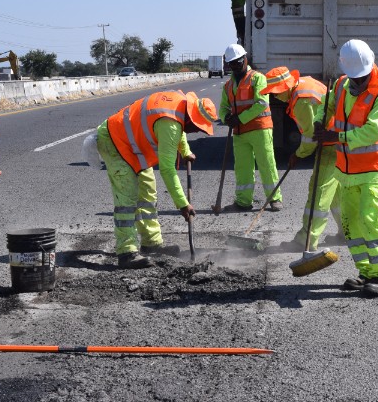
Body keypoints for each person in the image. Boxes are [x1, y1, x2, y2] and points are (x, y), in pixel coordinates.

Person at [96, 91, 218, 269]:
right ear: (191, 118)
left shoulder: (180, 107)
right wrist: (183, 204)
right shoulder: (170, 124)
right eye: (197, 127)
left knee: (147, 193)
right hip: (114, 140)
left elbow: (180, 127)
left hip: (135, 147)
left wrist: (185, 150)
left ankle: (151, 243)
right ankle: (126, 252)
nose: (196, 130)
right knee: (127, 199)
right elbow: (168, 169)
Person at [314, 39, 378, 297]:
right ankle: (366, 271)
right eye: (354, 78)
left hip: (373, 170)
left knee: (371, 222)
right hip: (346, 171)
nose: (358, 83)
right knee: (351, 224)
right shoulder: (341, 85)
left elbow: (372, 131)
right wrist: (319, 122)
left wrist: (336, 138)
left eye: (361, 78)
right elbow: (325, 107)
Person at [260, 66, 342, 251]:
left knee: (318, 191)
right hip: (335, 142)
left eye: (275, 92)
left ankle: (306, 240)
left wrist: (298, 155)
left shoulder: (301, 101)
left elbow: (310, 137)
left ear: (284, 88)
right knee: (335, 194)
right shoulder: (304, 85)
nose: (274, 97)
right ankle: (346, 233)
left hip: (330, 145)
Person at [219, 43, 282, 212]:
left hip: (259, 129)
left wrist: (239, 118)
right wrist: (226, 117)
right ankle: (243, 201)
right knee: (242, 168)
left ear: (245, 60)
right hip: (239, 133)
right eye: (232, 64)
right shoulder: (228, 85)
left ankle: (274, 198)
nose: (235, 66)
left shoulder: (257, 78)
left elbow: (262, 103)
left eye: (238, 62)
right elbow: (223, 107)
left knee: (266, 164)